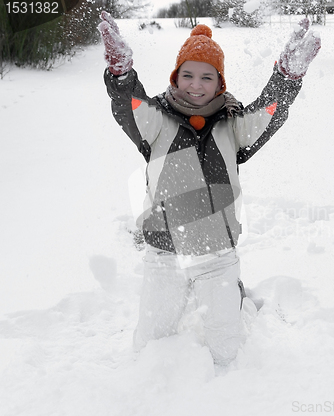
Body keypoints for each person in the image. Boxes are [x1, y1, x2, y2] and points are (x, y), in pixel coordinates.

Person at [98, 12, 320, 365]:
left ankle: (233, 297)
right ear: (175, 77)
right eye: (187, 75)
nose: (195, 85)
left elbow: (269, 111)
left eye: (206, 76)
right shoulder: (155, 121)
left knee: (226, 351)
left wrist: (287, 77)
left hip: (216, 256)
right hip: (165, 254)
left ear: (219, 82)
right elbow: (128, 105)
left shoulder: (233, 126)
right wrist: (121, 74)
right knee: (150, 347)